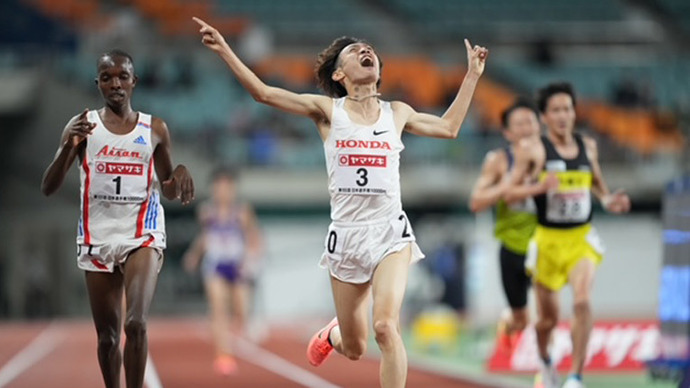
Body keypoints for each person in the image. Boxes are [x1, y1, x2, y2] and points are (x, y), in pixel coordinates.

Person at [192, 16, 487, 388]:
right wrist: (225, 50)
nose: (366, 51)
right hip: (346, 238)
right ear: (338, 75)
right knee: (354, 346)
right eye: (354, 51)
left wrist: (473, 74)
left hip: (389, 232)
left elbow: (449, 128)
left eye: (370, 50)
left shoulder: (396, 112)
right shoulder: (330, 112)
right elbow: (264, 93)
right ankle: (334, 335)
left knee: (384, 327)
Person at [41, 49, 194, 388]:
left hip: (142, 233)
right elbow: (49, 187)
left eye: (123, 76)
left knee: (135, 323)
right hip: (97, 236)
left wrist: (179, 172)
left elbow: (167, 188)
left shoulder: (155, 128)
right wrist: (69, 144)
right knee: (108, 338)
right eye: (107, 77)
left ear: (134, 81)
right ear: (97, 84)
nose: (116, 84)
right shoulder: (84, 127)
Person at [503, 82, 630, 388]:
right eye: (556, 110)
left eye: (568, 109)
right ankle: (546, 361)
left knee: (583, 301)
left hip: (580, 240)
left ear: (575, 112)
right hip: (548, 241)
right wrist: (539, 187)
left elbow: (597, 183)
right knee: (547, 320)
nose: (563, 115)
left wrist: (608, 199)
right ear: (544, 117)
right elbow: (509, 193)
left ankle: (575, 376)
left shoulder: (588, 146)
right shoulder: (532, 149)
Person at [468, 98, 541, 350]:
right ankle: (509, 323)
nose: (526, 128)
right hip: (512, 246)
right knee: (521, 317)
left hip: (545, 244)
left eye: (530, 122)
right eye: (519, 124)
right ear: (507, 132)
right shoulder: (499, 161)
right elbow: (476, 201)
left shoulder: (552, 157)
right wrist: (508, 185)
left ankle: (546, 371)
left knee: (546, 311)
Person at [183, 167, 263, 376]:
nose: (223, 192)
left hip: (237, 265)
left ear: (233, 189)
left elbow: (253, 237)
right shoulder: (206, 211)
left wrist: (252, 259)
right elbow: (204, 237)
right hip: (215, 265)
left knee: (240, 311)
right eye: (219, 187)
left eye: (227, 187)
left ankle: (239, 332)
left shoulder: (242, 211)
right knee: (218, 310)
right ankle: (223, 355)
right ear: (213, 189)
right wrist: (194, 254)